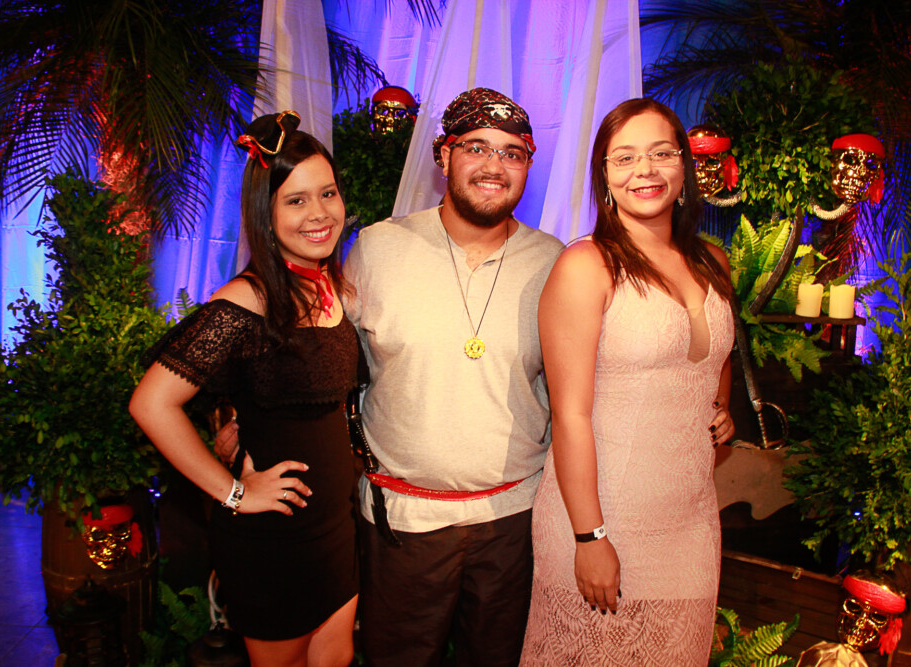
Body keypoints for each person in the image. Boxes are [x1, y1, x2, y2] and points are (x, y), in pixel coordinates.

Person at [130, 111, 359, 667]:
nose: (319, 212)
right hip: (273, 540)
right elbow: (151, 403)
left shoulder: (327, 286)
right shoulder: (246, 300)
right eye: (296, 200)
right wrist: (234, 492)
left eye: (327, 193)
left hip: (335, 531)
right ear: (265, 213)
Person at [346, 88, 564, 666]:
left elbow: (585, 381)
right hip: (403, 523)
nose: (495, 165)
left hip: (513, 522)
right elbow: (329, 359)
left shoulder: (555, 262)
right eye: (477, 147)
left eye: (513, 153)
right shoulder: (378, 247)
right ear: (443, 156)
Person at [520, 98, 736, 665]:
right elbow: (569, 415)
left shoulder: (713, 262)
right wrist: (589, 536)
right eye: (625, 157)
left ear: (684, 166)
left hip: (690, 522)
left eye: (662, 153)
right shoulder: (587, 265)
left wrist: (721, 409)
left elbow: (715, 360)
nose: (646, 169)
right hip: (603, 515)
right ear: (605, 176)